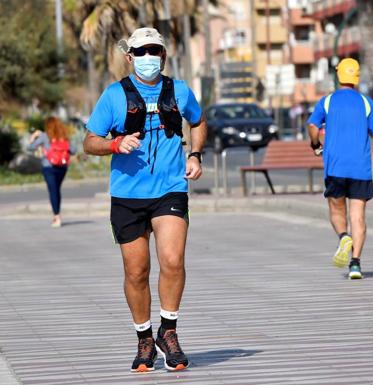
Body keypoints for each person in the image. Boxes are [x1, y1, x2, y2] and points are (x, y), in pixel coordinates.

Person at [83, 27, 206, 373]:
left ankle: (169, 332)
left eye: (155, 50)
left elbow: (198, 121)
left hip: (170, 189)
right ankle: (144, 338)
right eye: (142, 51)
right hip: (127, 195)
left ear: (164, 56)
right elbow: (89, 141)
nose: (148, 56)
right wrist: (113, 144)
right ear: (130, 57)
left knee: (172, 260)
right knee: (136, 271)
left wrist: (195, 155)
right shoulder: (113, 96)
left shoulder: (179, 91)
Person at [306, 58, 373, 280]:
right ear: (356, 77)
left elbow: (313, 126)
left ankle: (343, 237)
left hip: (335, 167)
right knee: (357, 216)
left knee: (336, 211)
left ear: (338, 75)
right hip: (360, 168)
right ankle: (356, 264)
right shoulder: (365, 102)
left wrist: (316, 143)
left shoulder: (327, 101)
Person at [27, 117, 77, 228]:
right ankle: (57, 214)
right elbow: (73, 150)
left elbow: (30, 148)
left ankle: (57, 216)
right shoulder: (64, 136)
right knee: (56, 190)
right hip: (62, 167)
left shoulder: (44, 136)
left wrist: (34, 137)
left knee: (53, 190)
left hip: (48, 167)